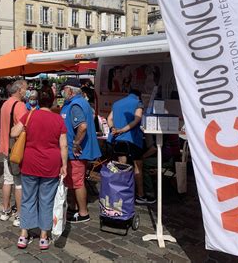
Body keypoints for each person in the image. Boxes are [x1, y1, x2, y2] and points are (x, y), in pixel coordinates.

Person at [11, 89, 68, 250]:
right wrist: (64, 165)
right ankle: (43, 236)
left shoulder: (29, 115)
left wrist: (25, 130)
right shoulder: (58, 119)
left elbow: (13, 132)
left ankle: (24, 234)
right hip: (51, 164)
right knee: (46, 200)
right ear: (52, 101)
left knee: (28, 198)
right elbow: (63, 145)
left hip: (30, 163)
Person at [60, 78, 101, 223]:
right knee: (73, 181)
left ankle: (83, 213)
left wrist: (76, 143)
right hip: (73, 151)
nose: (62, 91)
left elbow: (82, 126)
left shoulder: (76, 104)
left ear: (70, 90)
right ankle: (73, 207)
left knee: (77, 182)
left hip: (76, 152)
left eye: (64, 89)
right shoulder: (76, 102)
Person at [107, 88, 154, 204]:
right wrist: (123, 130)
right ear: (138, 96)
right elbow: (137, 119)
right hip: (133, 140)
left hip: (118, 140)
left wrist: (114, 129)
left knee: (121, 167)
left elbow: (109, 118)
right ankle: (140, 195)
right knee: (138, 168)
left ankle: (120, 194)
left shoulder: (117, 103)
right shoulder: (138, 103)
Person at [0, 80, 28, 227]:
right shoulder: (20, 105)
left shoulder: (5, 103)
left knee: (7, 180)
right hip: (16, 149)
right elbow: (24, 127)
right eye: (25, 89)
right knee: (19, 183)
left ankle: (5, 210)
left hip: (6, 146)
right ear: (19, 90)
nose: (26, 92)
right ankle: (19, 215)